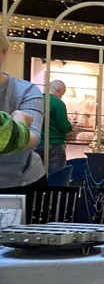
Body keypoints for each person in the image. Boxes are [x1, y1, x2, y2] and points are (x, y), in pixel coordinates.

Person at [0, 54, 45, 193]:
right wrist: (20, 120)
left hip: (21, 179)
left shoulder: (26, 90)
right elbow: (17, 139)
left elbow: (32, 136)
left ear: (3, 52)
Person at [36, 79, 72, 172]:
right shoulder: (57, 103)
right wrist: (70, 127)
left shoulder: (36, 99)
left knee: (37, 174)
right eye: (62, 94)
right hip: (55, 143)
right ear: (58, 90)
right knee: (56, 175)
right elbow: (64, 125)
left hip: (36, 142)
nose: (61, 97)